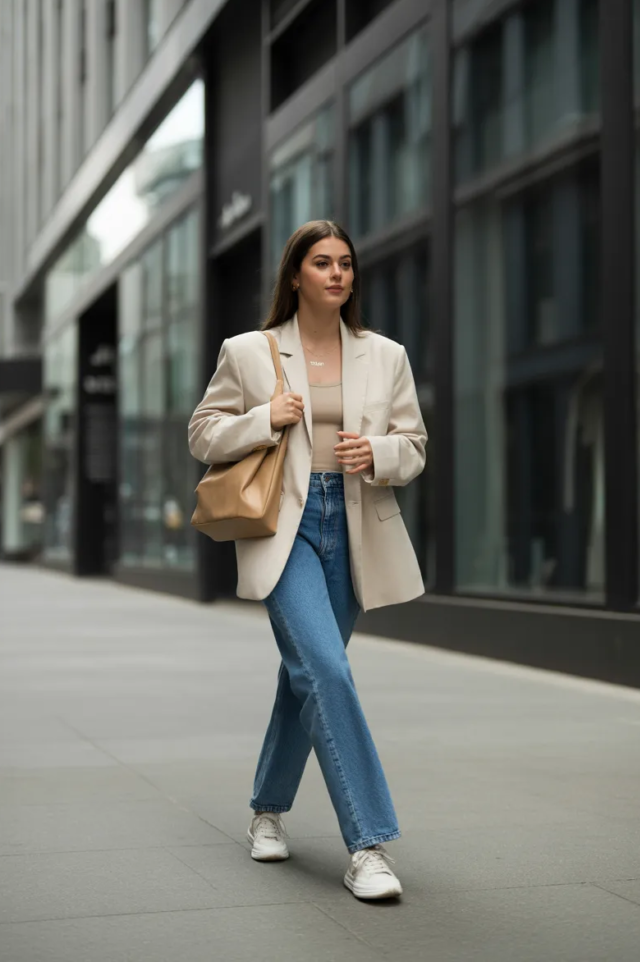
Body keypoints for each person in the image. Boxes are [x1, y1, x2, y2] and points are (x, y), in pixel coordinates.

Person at [188, 220, 427, 900]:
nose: (336, 274)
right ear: (295, 275)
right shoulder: (249, 351)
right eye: (321, 263)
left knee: (307, 676)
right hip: (282, 526)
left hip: (354, 524)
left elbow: (413, 444)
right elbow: (203, 434)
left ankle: (267, 809)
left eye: (345, 263)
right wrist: (264, 416)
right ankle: (368, 845)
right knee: (326, 668)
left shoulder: (385, 355)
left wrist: (375, 454)